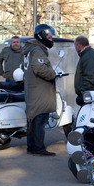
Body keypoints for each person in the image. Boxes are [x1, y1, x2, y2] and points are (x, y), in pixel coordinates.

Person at [23, 24, 58, 156]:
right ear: (41, 36)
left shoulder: (30, 49)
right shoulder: (37, 50)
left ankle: (32, 146)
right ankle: (38, 148)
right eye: (48, 36)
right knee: (40, 118)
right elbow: (40, 68)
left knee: (33, 118)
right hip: (39, 90)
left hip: (33, 88)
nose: (50, 39)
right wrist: (53, 74)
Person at [73, 35, 94, 106]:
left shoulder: (89, 56)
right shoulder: (86, 54)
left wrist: (83, 92)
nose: (75, 47)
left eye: (75, 45)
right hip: (89, 94)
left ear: (79, 45)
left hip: (90, 95)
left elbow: (90, 77)